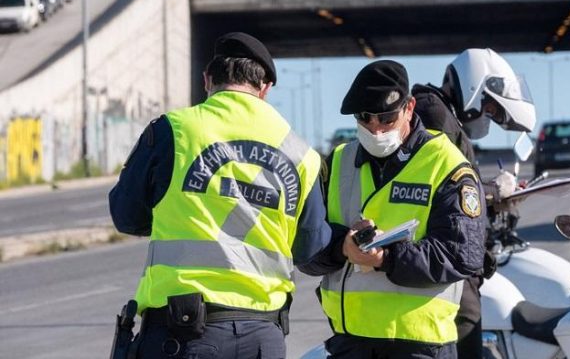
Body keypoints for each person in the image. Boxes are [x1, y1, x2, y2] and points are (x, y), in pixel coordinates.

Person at [108, 32, 331, 359]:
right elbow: (310, 247)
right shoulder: (303, 155)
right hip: (263, 336)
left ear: (207, 79)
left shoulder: (174, 129)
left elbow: (126, 216)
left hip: (183, 334)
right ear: (265, 88)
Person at [298, 60, 486, 358]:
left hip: (420, 346)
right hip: (350, 343)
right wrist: (343, 247)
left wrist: (387, 257)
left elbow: (463, 256)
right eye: (364, 118)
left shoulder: (445, 163)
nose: (375, 129)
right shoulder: (338, 162)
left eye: (386, 118)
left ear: (409, 107)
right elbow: (306, 252)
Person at [411, 48, 536, 358]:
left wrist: (492, 198)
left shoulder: (442, 116)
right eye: (490, 107)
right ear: (473, 90)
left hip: (449, 261)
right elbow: (445, 188)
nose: (491, 116)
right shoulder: (436, 118)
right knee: (467, 329)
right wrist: (492, 191)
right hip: (447, 264)